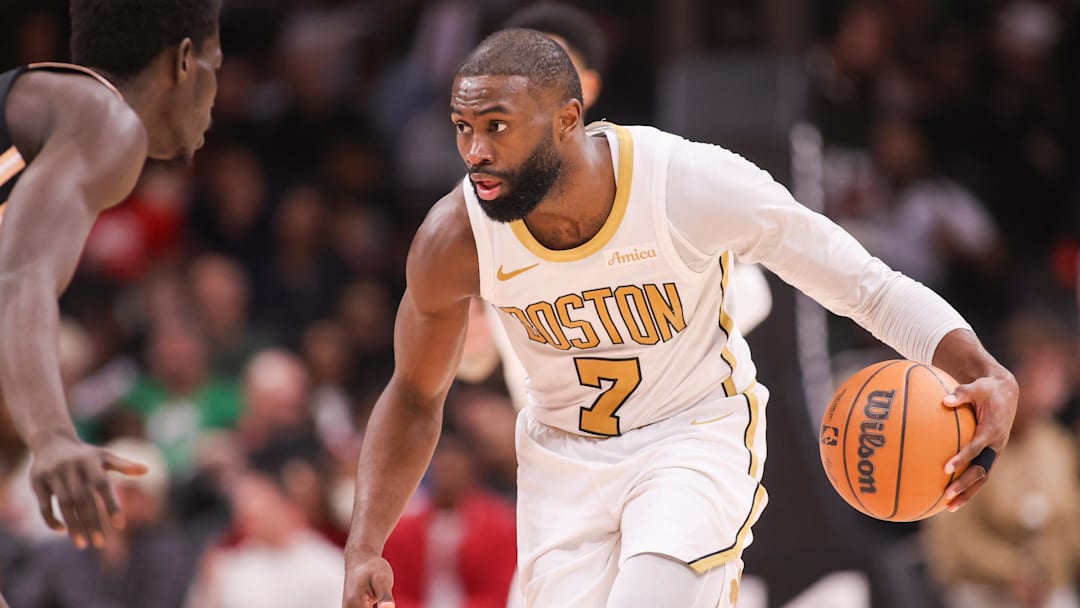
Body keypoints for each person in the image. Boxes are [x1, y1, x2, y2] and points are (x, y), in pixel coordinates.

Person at [342, 29, 1017, 608]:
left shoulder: (688, 185)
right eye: (465, 129)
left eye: (497, 127)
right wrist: (365, 541)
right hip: (560, 460)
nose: (475, 153)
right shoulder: (454, 237)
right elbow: (414, 392)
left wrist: (980, 370)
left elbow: (865, 287)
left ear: (568, 119)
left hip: (689, 437)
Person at [457, 2, 773, 411]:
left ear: (585, 87)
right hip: (556, 450)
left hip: (664, 437)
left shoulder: (653, 173)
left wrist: (654, 324)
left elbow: (755, 291)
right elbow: (475, 362)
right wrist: (467, 345)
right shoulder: (474, 202)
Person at [0, 0, 222, 580]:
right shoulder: (107, 121)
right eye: (215, 66)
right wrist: (50, 437)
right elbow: (20, 277)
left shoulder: (57, 109)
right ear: (183, 60)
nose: (217, 98)